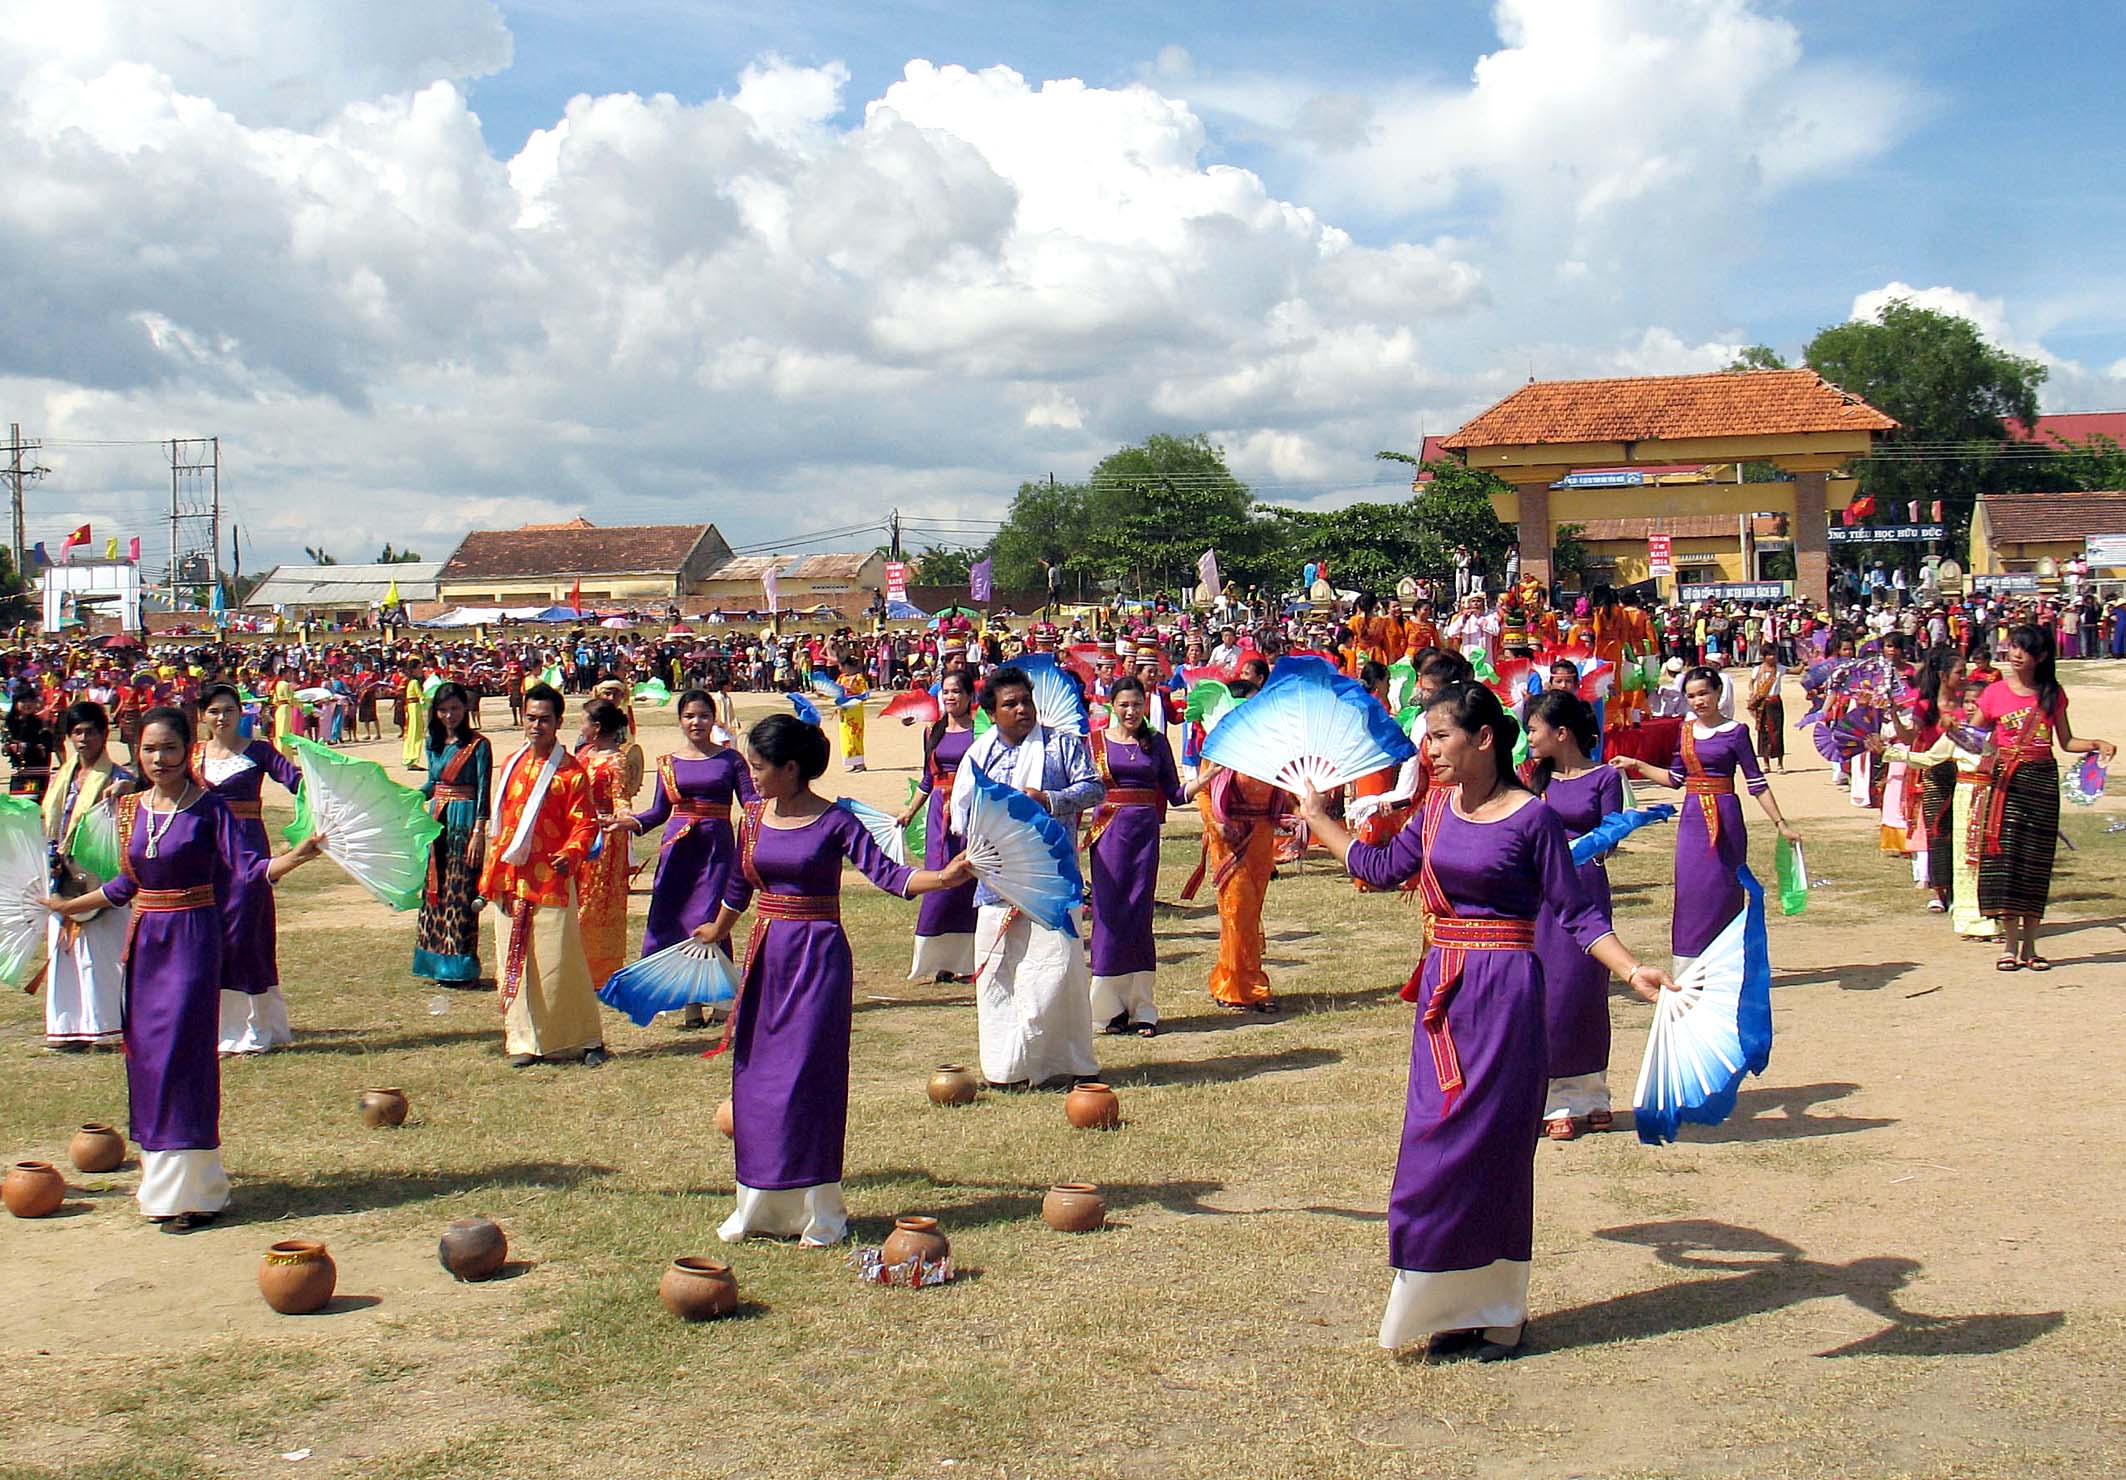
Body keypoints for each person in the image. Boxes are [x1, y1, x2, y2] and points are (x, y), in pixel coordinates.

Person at [1296, 683, 1672, 1359]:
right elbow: (1382, 868)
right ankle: (1442, 1303)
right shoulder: (1435, 808)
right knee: (1433, 1148)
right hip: (1446, 996)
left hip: (1508, 994)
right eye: (1426, 737)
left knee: (1495, 1150)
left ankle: (1499, 1312)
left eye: (1439, 736)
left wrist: (1629, 969)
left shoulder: (1533, 819)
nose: (1427, 749)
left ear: (1484, 739)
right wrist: (1320, 816)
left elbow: (1575, 912)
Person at [45, 706, 325, 1229]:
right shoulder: (130, 810)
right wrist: (68, 907)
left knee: (184, 1054)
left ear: (186, 748)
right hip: (144, 945)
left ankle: (198, 1191)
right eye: (149, 749)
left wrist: (298, 854)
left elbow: (249, 870)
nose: (159, 759)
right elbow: (125, 885)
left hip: (194, 941)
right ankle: (161, 1187)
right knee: (147, 1056)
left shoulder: (212, 810)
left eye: (169, 748)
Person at [697, 714, 972, 1244]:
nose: (750, 776)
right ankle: (755, 1206)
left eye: (759, 767)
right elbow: (738, 886)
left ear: (792, 768)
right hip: (766, 955)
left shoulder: (835, 822)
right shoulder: (751, 819)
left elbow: (887, 873)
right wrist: (717, 927)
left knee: (808, 1077)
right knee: (756, 1077)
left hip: (818, 956)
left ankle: (820, 1210)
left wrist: (943, 877)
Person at [949, 664, 1104, 1089]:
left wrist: (1049, 800)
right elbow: (962, 816)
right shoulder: (980, 756)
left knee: (1057, 971)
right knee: (1000, 974)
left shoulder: (1063, 747)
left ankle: (1064, 1061)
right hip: (996, 884)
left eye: (1025, 701)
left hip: (1052, 882)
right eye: (1010, 704)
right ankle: (1007, 1068)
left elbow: (1094, 788)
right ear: (992, 712)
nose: (1021, 709)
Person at [1613, 667, 1801, 966]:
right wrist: (1636, 763)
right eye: (1691, 696)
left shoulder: (1736, 732)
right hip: (1693, 818)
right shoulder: (1685, 732)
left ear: (1718, 693)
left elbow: (1756, 783)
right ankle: (1688, 962)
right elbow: (1675, 778)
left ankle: (1726, 961)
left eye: (1704, 693)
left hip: (1726, 816)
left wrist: (1781, 824)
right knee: (1691, 888)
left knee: (1725, 886)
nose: (1699, 701)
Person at [478, 684, 606, 1068]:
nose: (537, 725)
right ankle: (522, 1040)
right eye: (531, 718)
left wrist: (571, 853)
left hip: (551, 877)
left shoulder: (570, 772)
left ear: (558, 723)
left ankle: (585, 1038)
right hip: (510, 880)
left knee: (558, 961)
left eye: (544, 719)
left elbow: (585, 824)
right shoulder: (511, 765)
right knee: (512, 959)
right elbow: (501, 826)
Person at [614, 688, 756, 1026]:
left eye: (703, 715)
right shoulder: (668, 763)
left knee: (710, 920)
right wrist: (632, 822)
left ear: (713, 720)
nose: (697, 722)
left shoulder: (731, 759)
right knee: (676, 921)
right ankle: (690, 1002)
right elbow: (660, 811)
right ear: (680, 720)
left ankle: (722, 1000)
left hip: (716, 849)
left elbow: (750, 800)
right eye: (690, 716)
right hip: (678, 849)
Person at [1975, 625, 2114, 970]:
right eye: (2012, 647)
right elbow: (1974, 735)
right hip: (2006, 783)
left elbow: (2066, 742)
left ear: (2041, 657)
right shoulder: (1993, 693)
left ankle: (2031, 947)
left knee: (2035, 861)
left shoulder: (2053, 693)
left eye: (2024, 649)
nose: (2015, 654)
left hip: (2041, 782)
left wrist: (2097, 744)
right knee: (2005, 859)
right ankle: (2009, 945)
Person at [1524, 691, 1627, 1140]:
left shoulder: (1605, 777)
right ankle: (1554, 1099)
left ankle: (1593, 1094)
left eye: (1534, 729)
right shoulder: (1534, 778)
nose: (1529, 737)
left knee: (1586, 993)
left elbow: (1612, 835)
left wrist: (1574, 849)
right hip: (1543, 894)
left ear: (1561, 733)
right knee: (1550, 995)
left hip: (1585, 889)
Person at [194, 683, 305, 1054]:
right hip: (206, 852)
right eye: (213, 711)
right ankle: (218, 1026)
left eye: (228, 709)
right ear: (202, 716)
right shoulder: (194, 757)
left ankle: (256, 1027)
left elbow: (296, 782)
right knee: (212, 933)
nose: (221, 717)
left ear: (241, 712)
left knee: (247, 932)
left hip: (246, 850)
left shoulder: (258, 751)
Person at [1086, 676, 1184, 1036]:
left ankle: (1142, 1007)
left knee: (1139, 915)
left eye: (1137, 704)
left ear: (1146, 706)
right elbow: (1080, 790)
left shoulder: (1156, 743)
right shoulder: (1094, 743)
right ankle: (1106, 1010)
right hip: (1108, 835)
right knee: (1108, 916)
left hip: (1144, 836)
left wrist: (1207, 778)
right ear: (1113, 705)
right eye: (1124, 704)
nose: (1131, 711)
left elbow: (1175, 792)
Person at [40, 701, 133, 1051]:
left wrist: (125, 791)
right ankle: (68, 1028)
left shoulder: (118, 778)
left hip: (100, 875)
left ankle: (105, 1026)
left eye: (90, 732)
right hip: (61, 873)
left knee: (100, 954)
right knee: (63, 952)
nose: (84, 739)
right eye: (77, 732)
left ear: (102, 734)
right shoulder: (61, 778)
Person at [898, 666, 979, 983]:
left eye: (956, 691)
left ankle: (968, 960)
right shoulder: (933, 732)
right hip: (938, 815)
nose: (949, 696)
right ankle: (935, 958)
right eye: (945, 691)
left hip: (971, 811)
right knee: (939, 880)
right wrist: (909, 812)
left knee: (970, 880)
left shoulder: (982, 732)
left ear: (969, 696)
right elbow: (927, 779)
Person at [415, 682, 492, 985]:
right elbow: (431, 783)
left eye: (455, 709)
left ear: (466, 709)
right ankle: (435, 962)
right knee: (436, 891)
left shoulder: (478, 744)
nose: (450, 715)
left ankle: (460, 967)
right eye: (444, 710)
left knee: (462, 894)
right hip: (436, 820)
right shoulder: (433, 743)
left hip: (464, 820)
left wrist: (479, 831)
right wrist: (406, 797)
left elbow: (484, 790)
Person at [573, 698, 636, 990]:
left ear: (596, 727)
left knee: (597, 903)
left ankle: (599, 969)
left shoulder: (616, 760)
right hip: (577, 833)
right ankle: (573, 962)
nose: (579, 725)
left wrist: (620, 817)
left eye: (583, 720)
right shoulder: (582, 754)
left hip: (604, 838)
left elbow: (621, 798)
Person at [1746, 650, 1785, 773]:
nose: (1772, 657)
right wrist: (1753, 692)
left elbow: (1797, 671)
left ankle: (1780, 764)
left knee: (1777, 731)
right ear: (1764, 656)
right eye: (1769, 654)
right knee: (1763, 731)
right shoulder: (1758, 669)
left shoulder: (1779, 668)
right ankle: (1766, 763)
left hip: (1775, 702)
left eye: (1774, 654)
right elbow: (1751, 682)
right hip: (1762, 703)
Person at [836, 655, 869, 771]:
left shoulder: (858, 678)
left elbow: (865, 695)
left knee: (855, 735)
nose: (839, 669)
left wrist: (851, 697)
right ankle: (853, 762)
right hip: (844, 710)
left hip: (855, 710)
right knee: (846, 736)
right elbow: (836, 691)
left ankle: (860, 763)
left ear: (846, 665)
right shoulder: (841, 678)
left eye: (840, 666)